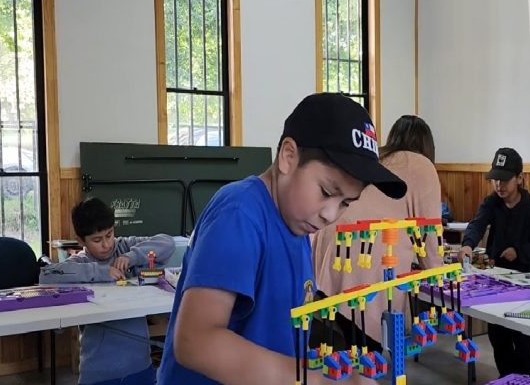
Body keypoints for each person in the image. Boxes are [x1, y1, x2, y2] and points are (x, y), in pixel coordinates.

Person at [156, 93, 406, 385]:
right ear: (289, 157)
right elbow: (195, 342)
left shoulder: (298, 227)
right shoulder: (239, 213)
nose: (330, 214)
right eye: (326, 192)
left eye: (346, 202)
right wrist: (316, 381)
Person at [313, 115, 443, 349]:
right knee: (364, 347)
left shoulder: (378, 157)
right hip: (365, 258)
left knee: (340, 343)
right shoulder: (421, 165)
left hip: (329, 247)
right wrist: (437, 269)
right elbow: (429, 232)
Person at [40, 197, 175, 385]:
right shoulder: (81, 262)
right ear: (81, 240)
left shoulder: (124, 247)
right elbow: (48, 275)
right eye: (97, 240)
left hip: (140, 369)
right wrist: (101, 271)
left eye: (109, 234)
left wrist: (132, 256)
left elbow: (167, 243)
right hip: (99, 373)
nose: (106, 244)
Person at [458, 148, 530, 378]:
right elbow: (477, 224)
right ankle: (507, 379)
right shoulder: (491, 202)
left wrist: (518, 252)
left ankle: (529, 380)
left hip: (524, 283)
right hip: (494, 281)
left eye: (505, 179)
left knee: (523, 339)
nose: (499, 185)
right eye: (495, 179)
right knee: (497, 336)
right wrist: (468, 244)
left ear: (519, 178)